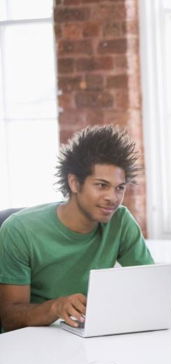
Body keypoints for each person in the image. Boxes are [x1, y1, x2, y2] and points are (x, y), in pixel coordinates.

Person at [0, 125, 153, 332]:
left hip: (87, 335)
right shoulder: (19, 230)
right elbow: (9, 317)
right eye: (101, 185)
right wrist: (55, 307)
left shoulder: (121, 221)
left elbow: (150, 286)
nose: (112, 197)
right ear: (74, 183)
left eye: (120, 188)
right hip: (35, 341)